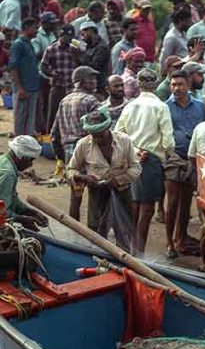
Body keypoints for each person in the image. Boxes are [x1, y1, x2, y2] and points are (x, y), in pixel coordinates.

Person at [115, 68, 174, 255]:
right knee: (147, 209)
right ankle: (138, 252)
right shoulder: (161, 107)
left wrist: (132, 151)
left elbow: (118, 133)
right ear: (155, 84)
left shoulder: (130, 106)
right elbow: (168, 141)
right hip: (151, 160)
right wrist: (167, 155)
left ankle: (132, 248)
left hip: (131, 157)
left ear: (139, 85)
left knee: (134, 204)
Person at [67, 109, 140, 251]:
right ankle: (98, 260)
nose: (97, 139)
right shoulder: (83, 144)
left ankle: (126, 261)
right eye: (93, 135)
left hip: (122, 192)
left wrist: (119, 179)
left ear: (108, 128)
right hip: (97, 193)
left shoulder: (124, 140)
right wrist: (84, 178)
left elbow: (136, 168)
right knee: (96, 231)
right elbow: (71, 169)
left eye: (100, 135)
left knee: (125, 229)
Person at [164, 70, 205, 258]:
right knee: (172, 202)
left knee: (186, 202)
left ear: (188, 85)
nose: (176, 88)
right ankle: (169, 243)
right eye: (173, 85)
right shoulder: (165, 107)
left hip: (193, 158)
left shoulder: (200, 106)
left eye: (180, 84)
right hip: (173, 158)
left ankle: (181, 239)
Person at [52, 65, 101, 221]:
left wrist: (60, 156)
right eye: (91, 79)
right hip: (88, 149)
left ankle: (74, 231)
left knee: (76, 196)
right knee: (95, 192)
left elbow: (54, 133)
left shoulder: (64, 100)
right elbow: (99, 127)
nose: (95, 82)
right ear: (80, 82)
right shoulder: (91, 100)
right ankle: (95, 231)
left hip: (70, 152)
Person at [0, 136, 49, 229]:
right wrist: (21, 219)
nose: (30, 165)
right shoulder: (8, 174)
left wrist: (30, 211)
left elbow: (11, 198)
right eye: (30, 160)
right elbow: (1, 211)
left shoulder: (4, 161)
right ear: (21, 157)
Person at [9, 18, 41, 137]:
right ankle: (18, 143)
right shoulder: (18, 45)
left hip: (32, 87)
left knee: (30, 119)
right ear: (26, 28)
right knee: (20, 118)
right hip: (23, 87)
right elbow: (13, 67)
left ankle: (26, 143)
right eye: (34, 27)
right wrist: (20, 88)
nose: (37, 30)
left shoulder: (29, 44)